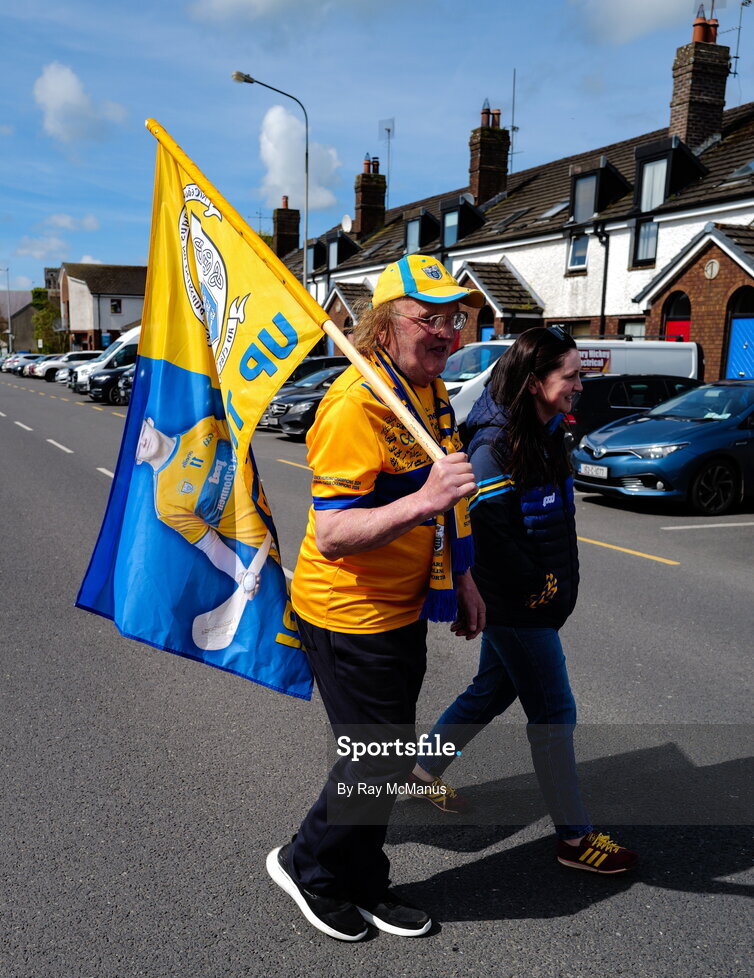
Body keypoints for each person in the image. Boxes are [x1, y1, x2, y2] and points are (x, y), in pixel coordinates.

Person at [266, 255, 486, 941]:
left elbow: (448, 506)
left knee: (382, 757)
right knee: (379, 757)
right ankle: (309, 865)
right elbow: (332, 532)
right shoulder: (354, 403)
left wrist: (465, 579)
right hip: (347, 612)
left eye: (454, 317)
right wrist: (425, 498)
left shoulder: (430, 393)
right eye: (430, 318)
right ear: (385, 326)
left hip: (403, 608)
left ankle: (363, 877)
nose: (447, 331)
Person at [409, 326, 639, 875]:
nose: (581, 385)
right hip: (519, 608)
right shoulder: (495, 444)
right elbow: (488, 531)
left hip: (538, 600)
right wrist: (538, 585)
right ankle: (574, 839)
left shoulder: (545, 430)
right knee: (555, 713)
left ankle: (420, 773)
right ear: (535, 382)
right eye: (572, 376)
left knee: (490, 689)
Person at [136, 415, 271, 600]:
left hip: (270, 515)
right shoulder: (164, 503)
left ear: (149, 422)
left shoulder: (205, 427)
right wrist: (241, 574)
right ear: (137, 459)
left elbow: (242, 442)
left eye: (141, 431)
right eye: (136, 446)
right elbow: (211, 545)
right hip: (260, 548)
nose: (142, 441)